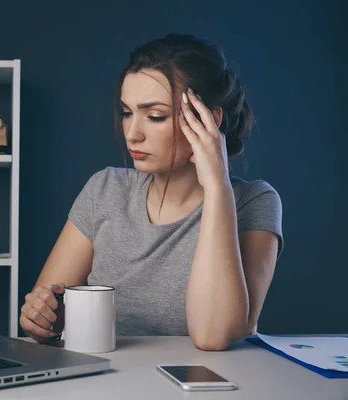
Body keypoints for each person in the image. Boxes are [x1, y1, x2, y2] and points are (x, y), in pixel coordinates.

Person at [19, 33, 283, 351]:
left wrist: (217, 186)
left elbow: (215, 335)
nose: (132, 133)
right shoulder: (104, 189)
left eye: (155, 116)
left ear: (207, 120)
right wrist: (43, 319)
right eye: (127, 112)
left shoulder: (255, 202)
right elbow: (44, 316)